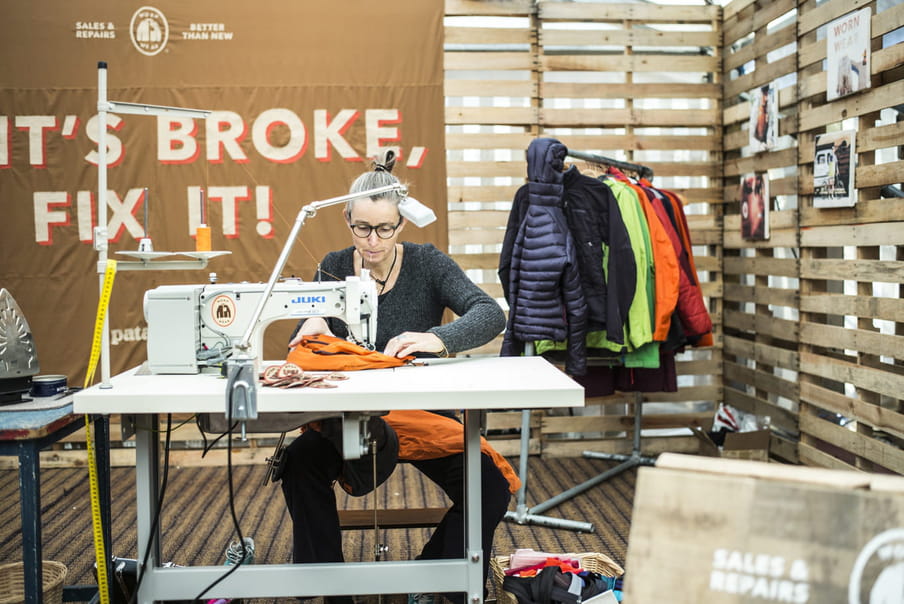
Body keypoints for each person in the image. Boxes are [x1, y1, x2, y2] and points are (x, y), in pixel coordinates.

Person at [279, 149, 515, 604]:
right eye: (362, 228)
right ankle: (331, 591)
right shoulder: (331, 263)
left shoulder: (427, 264)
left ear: (401, 223)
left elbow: (489, 313)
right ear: (348, 221)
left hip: (421, 414)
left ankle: (432, 581)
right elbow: (304, 334)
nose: (372, 241)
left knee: (490, 484)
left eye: (385, 228)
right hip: (349, 419)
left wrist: (437, 338)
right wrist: (307, 328)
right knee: (299, 464)